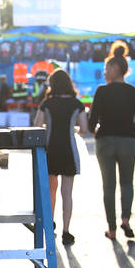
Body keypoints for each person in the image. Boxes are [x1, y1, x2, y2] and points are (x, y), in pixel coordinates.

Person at [88, 44, 135, 240]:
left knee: (108, 186)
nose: (104, 72)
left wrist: (97, 130)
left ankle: (112, 229)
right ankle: (126, 219)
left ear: (115, 68)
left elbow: (91, 122)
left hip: (105, 141)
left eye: (106, 68)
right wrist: (128, 130)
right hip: (128, 142)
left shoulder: (102, 91)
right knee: (127, 183)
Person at [34, 69, 88, 246]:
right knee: (67, 192)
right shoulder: (77, 104)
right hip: (69, 150)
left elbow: (36, 125)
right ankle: (66, 231)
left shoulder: (47, 103)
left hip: (51, 150)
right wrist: (73, 129)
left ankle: (50, 224)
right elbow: (85, 128)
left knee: (51, 190)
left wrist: (49, 127)